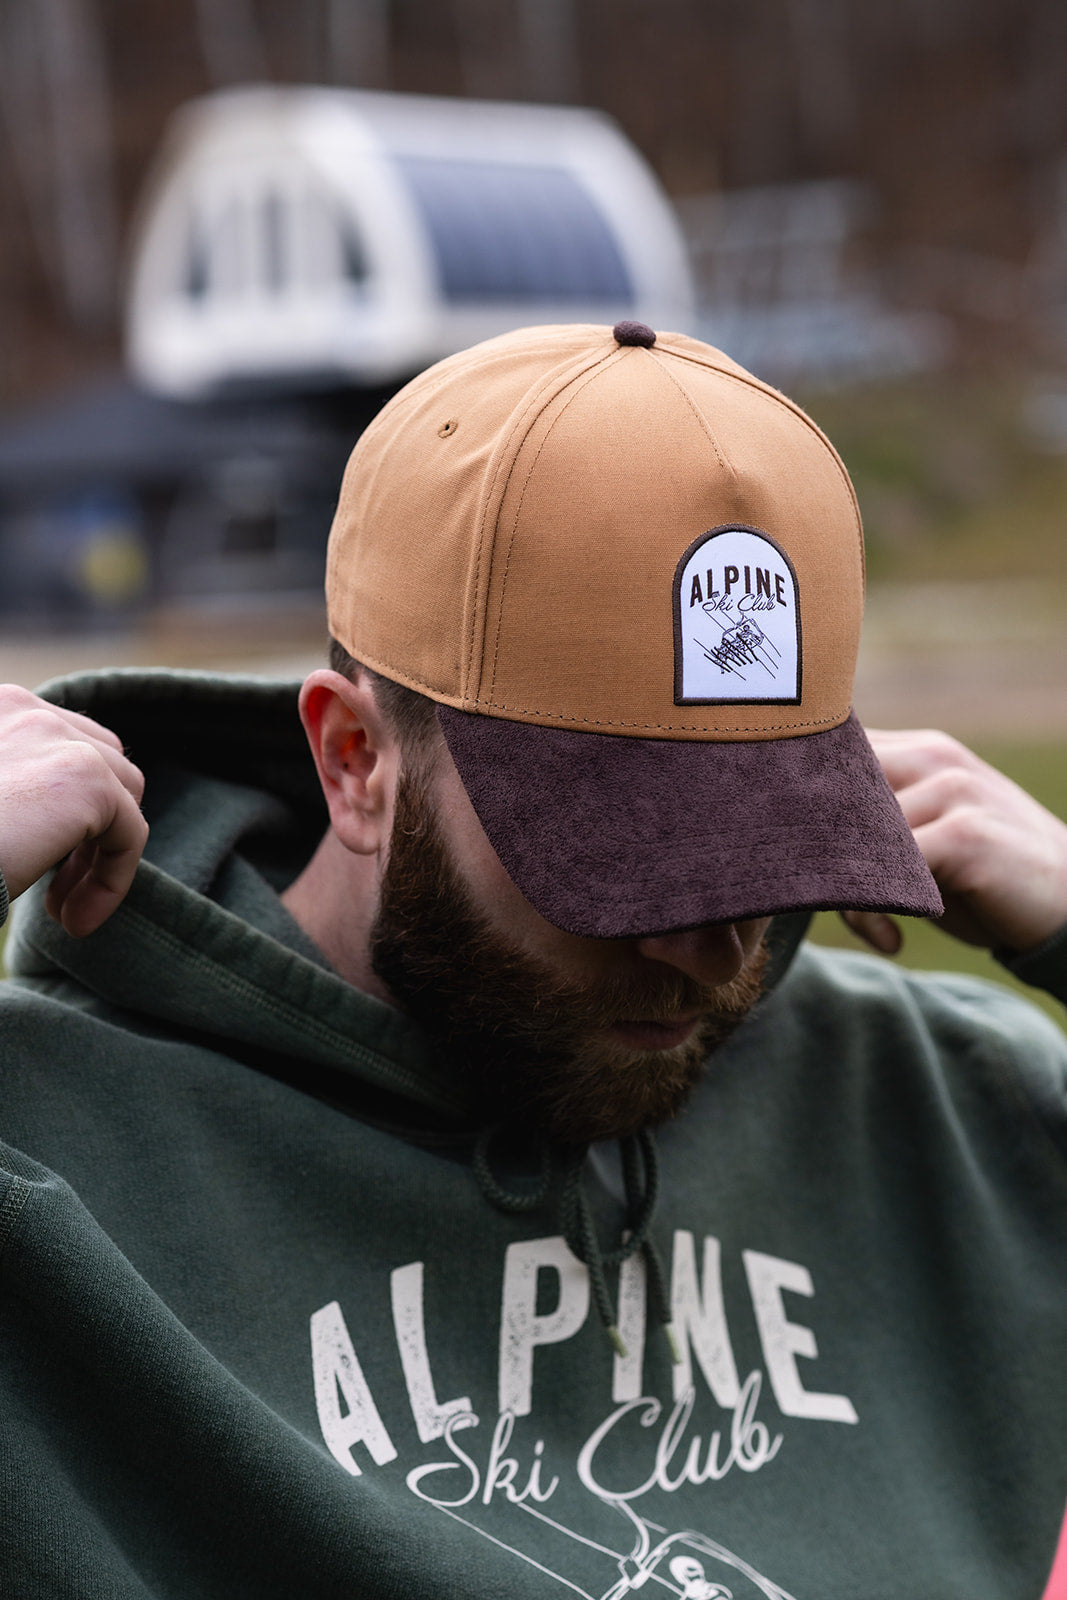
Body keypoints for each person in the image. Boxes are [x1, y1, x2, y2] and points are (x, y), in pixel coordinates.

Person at [2, 321, 1067, 1600]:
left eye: (767, 836)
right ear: (354, 761)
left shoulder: (942, 1100)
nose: (713, 950)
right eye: (625, 861)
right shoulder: (58, 1155)